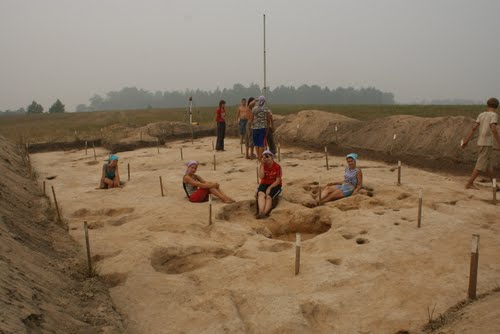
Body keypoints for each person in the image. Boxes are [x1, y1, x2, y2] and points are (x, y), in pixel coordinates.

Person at [461, 97, 500, 189]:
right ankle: (469, 183)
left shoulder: (481, 115)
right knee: (480, 165)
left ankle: (495, 186)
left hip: (481, 142)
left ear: (487, 105)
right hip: (487, 143)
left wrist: (466, 141)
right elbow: (493, 129)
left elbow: (473, 128)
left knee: (488, 166)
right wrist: (499, 142)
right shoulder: (494, 115)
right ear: (497, 107)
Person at [256, 150, 282, 219]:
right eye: (264, 157)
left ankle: (264, 213)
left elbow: (278, 181)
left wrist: (269, 188)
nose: (266, 159)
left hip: (275, 184)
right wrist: (261, 164)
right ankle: (261, 212)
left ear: (272, 157)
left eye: (268, 156)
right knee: (261, 194)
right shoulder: (263, 165)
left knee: (268, 196)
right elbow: (261, 176)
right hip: (264, 183)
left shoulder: (277, 166)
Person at [250, 95, 271, 160]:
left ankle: (258, 157)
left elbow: (251, 119)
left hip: (255, 128)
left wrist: (255, 100)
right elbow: (268, 120)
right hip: (262, 128)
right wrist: (268, 128)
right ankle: (259, 157)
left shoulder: (254, 109)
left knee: (256, 143)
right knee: (261, 143)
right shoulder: (266, 109)